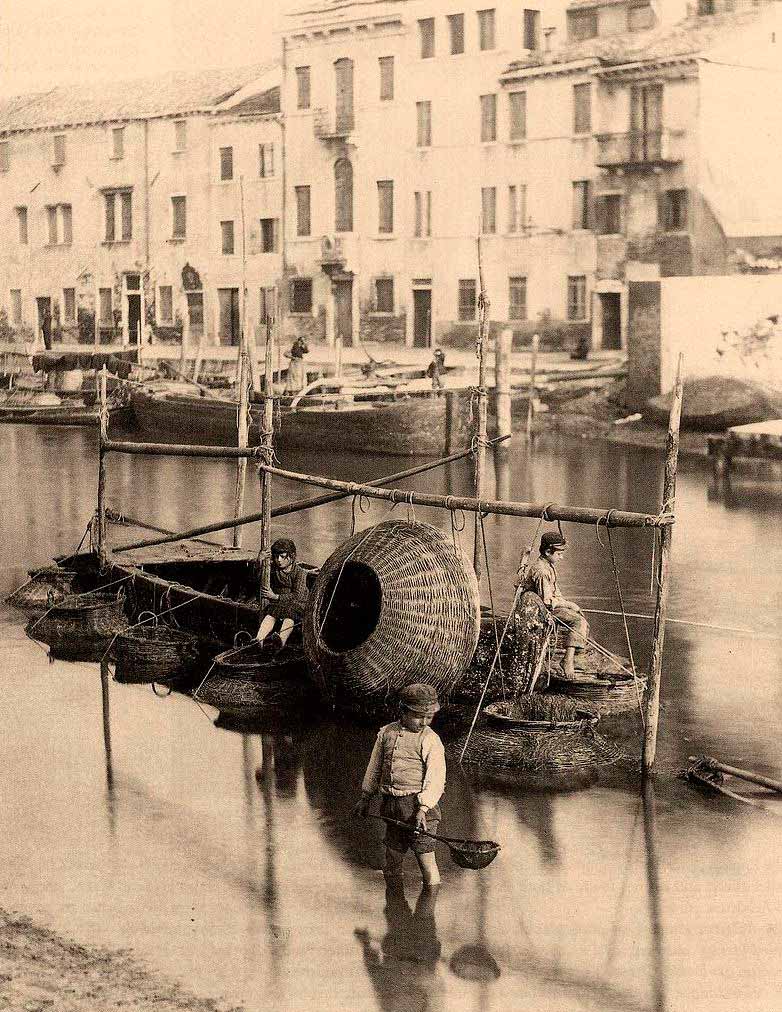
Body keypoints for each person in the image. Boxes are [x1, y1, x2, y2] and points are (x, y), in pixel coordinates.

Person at [354, 683, 445, 888]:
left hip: (419, 810)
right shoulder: (385, 733)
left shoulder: (430, 740)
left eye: (428, 717)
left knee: (425, 858)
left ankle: (429, 908)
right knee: (392, 858)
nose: (423, 722)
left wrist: (423, 808)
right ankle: (395, 910)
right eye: (418, 716)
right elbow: (374, 768)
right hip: (391, 807)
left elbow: (436, 779)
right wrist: (365, 797)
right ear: (402, 711)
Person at [518, 531, 589, 679]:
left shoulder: (548, 564)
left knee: (579, 616)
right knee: (578, 621)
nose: (561, 557)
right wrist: (569, 605)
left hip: (549, 606)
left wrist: (569, 606)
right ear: (548, 551)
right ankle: (568, 661)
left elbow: (556, 593)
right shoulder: (541, 570)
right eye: (559, 554)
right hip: (541, 611)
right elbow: (547, 601)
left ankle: (578, 658)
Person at [256, 537, 309, 650]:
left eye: (283, 557)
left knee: (289, 616)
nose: (279, 560)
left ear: (291, 557)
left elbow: (297, 595)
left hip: (297, 605)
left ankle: (281, 641)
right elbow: (257, 578)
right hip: (279, 604)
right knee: (271, 614)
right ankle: (258, 640)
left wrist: (276, 597)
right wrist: (259, 561)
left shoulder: (300, 572)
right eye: (276, 557)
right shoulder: (273, 569)